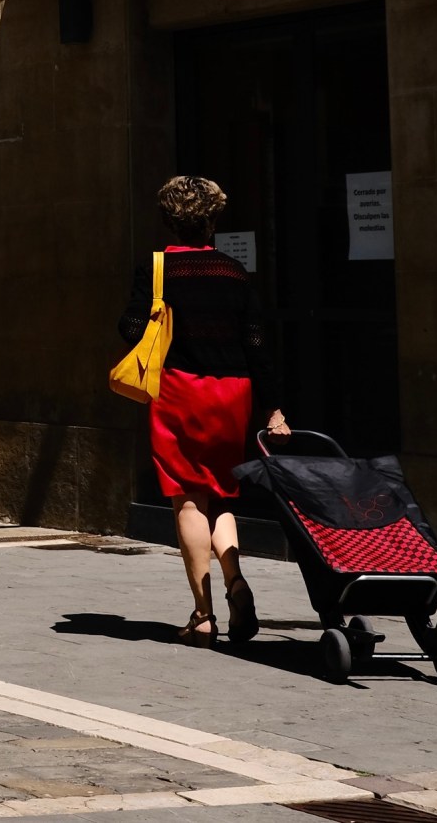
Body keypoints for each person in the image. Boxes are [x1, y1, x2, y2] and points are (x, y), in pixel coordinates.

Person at [119, 175, 290, 648]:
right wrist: (273, 409)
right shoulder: (234, 272)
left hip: (181, 390)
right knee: (223, 494)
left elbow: (130, 328)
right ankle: (236, 580)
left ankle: (203, 615)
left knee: (189, 498)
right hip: (233, 393)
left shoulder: (157, 268)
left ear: (169, 220)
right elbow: (257, 345)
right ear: (212, 221)